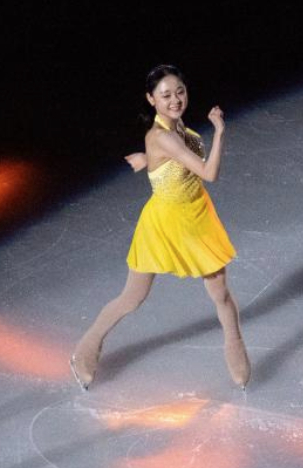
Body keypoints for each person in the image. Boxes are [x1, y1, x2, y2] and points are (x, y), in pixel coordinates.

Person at [70, 64, 249, 390]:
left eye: (179, 91)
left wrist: (147, 160)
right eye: (165, 95)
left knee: (220, 291)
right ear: (151, 99)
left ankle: (234, 341)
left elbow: (168, 157)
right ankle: (87, 346)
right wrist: (220, 131)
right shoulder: (162, 135)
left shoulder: (173, 127)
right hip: (164, 223)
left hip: (196, 216)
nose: (175, 99)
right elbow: (208, 173)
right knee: (132, 298)